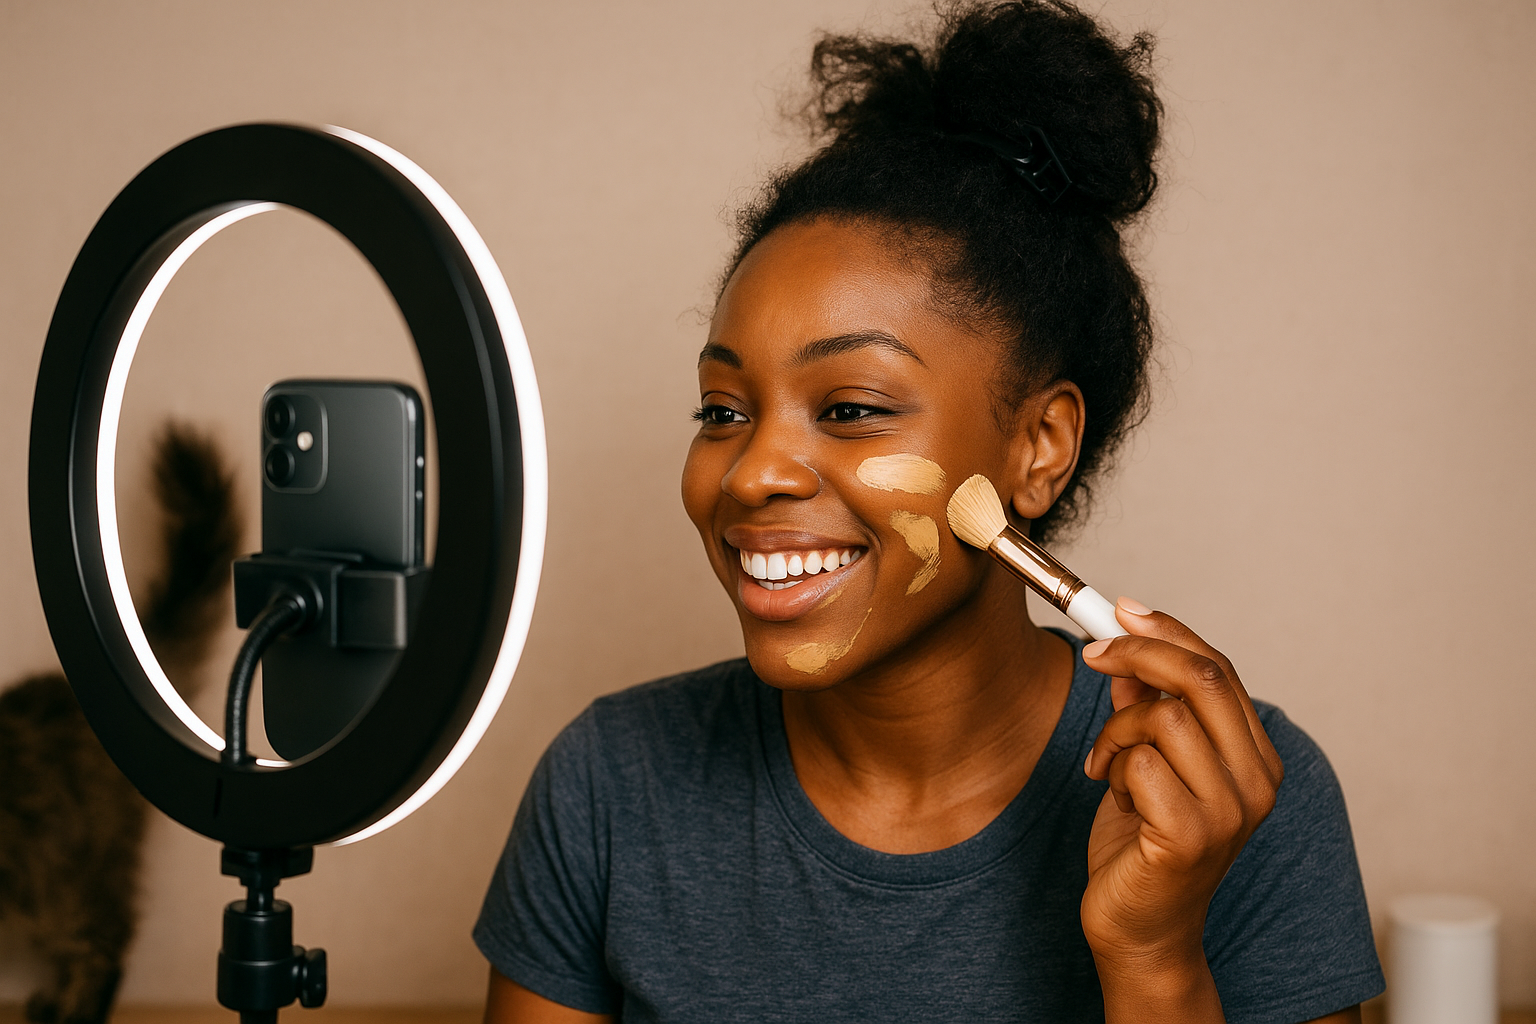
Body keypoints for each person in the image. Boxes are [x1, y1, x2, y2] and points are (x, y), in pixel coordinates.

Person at [476, 2, 1385, 1021]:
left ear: (1037, 449)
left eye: (852, 408)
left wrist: (1154, 954)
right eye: (724, 409)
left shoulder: (1238, 800)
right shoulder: (609, 786)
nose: (750, 473)